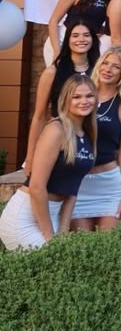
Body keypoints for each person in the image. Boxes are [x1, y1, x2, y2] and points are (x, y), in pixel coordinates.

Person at [0, 75, 97, 250]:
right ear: (65, 100)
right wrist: (49, 236)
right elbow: (37, 186)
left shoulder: (87, 134)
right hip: (26, 216)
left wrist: (63, 229)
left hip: (51, 213)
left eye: (89, 96)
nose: (84, 101)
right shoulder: (56, 130)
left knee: (62, 262)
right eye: (76, 97)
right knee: (53, 262)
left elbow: (73, 189)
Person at [71, 48, 121, 232]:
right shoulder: (80, 95)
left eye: (115, 66)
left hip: (109, 184)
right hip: (79, 181)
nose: (108, 69)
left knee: (108, 245)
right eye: (105, 63)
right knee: (80, 246)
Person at [26, 20, 100, 173]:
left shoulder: (99, 73)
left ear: (93, 39)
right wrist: (30, 157)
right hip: (60, 142)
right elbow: (39, 116)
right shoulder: (53, 72)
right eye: (75, 35)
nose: (81, 39)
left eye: (86, 35)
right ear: (68, 40)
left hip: (91, 143)